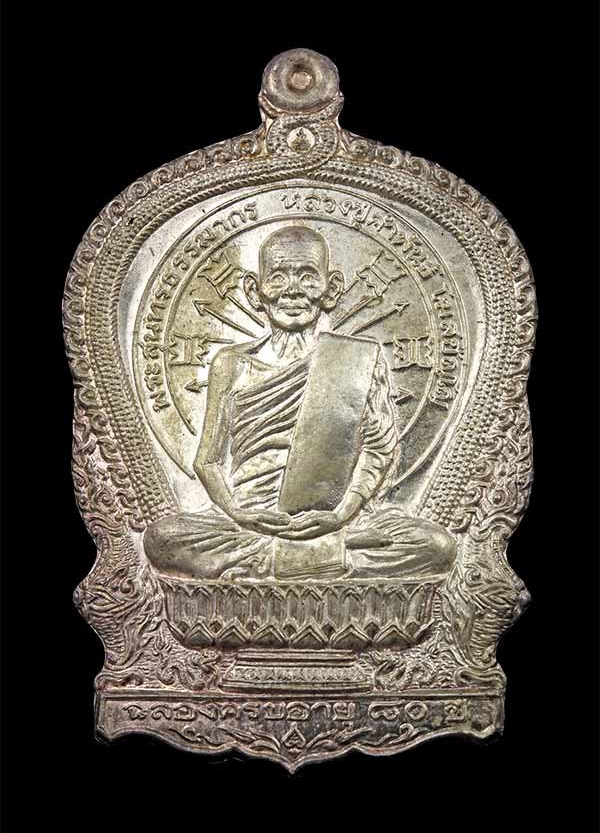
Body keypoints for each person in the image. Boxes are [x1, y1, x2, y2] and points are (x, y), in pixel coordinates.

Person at [144, 226, 456, 580]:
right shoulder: (231, 364)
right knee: (162, 539)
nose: (292, 290)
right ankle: (330, 556)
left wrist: (341, 515)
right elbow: (208, 460)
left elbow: (378, 449)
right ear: (254, 291)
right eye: (278, 277)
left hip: (335, 519)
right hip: (250, 521)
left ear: (331, 289)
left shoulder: (357, 357)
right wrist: (238, 513)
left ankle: (277, 560)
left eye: (307, 277)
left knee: (436, 545)